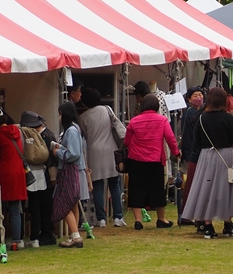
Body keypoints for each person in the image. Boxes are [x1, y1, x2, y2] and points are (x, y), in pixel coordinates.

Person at [182, 88, 233, 239]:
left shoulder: (201, 118)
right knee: (227, 187)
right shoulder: (228, 118)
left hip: (207, 154)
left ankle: (208, 225)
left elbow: (197, 142)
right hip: (225, 154)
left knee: (206, 188)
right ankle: (228, 224)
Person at [125, 94, 179, 230]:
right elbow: (170, 138)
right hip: (155, 159)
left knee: (136, 188)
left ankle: (138, 220)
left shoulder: (134, 121)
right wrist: (176, 152)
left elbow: (126, 141)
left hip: (136, 159)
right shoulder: (162, 120)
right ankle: (161, 219)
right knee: (157, 189)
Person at [79, 88, 125, 229]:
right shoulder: (107, 109)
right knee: (114, 185)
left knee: (97, 186)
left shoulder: (83, 117)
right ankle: (118, 217)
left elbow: (84, 136)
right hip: (111, 149)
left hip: (94, 151)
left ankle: (101, 219)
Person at [0, 113, 28, 251]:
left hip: (3, 173)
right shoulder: (17, 132)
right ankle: (16, 241)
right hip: (18, 173)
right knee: (15, 210)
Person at [53, 101, 90, 248]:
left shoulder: (72, 131)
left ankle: (75, 235)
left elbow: (74, 154)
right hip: (75, 171)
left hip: (71, 171)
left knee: (64, 204)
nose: (59, 117)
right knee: (73, 204)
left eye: (60, 113)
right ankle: (73, 235)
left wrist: (58, 152)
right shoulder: (75, 129)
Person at [20, 111, 58, 247]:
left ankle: (41, 234)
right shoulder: (47, 134)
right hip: (43, 174)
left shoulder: (32, 135)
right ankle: (44, 233)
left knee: (36, 206)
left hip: (36, 175)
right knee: (44, 206)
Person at [179, 87, 205, 225]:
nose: (199, 97)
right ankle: (187, 214)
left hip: (189, 151)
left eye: (201, 94)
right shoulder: (193, 114)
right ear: (189, 99)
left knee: (191, 182)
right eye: (195, 95)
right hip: (192, 152)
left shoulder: (187, 112)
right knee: (193, 183)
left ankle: (187, 214)